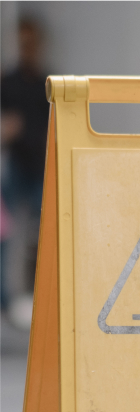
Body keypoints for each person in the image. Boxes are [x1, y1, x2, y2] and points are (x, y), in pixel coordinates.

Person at [1, 17, 50, 328]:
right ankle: (6, 302)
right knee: (5, 235)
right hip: (15, 167)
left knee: (42, 236)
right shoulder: (8, 82)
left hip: (41, 168)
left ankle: (39, 301)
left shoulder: (48, 81)